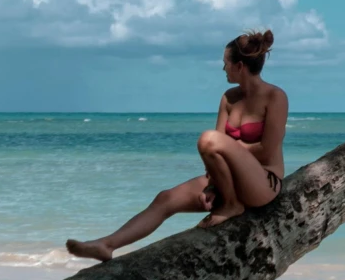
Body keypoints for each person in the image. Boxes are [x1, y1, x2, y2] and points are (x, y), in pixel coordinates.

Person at [65, 31, 288, 263]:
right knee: (166, 198)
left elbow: (266, 150)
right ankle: (107, 245)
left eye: (226, 64)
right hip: (228, 181)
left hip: (263, 182)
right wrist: (213, 185)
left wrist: (231, 149)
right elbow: (218, 152)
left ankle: (232, 206)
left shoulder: (275, 96)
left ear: (239, 66)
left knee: (209, 140)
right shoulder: (228, 98)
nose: (223, 69)